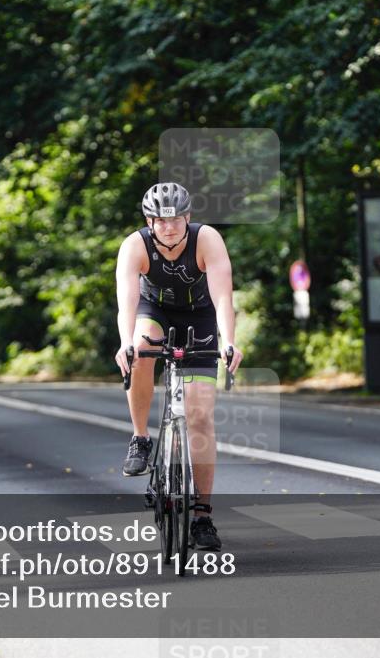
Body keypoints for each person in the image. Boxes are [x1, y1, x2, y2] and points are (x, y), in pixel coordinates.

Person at [113, 182, 243, 551]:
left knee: (200, 415)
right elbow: (127, 301)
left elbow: (222, 296)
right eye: (159, 220)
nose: (168, 227)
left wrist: (229, 340)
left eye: (174, 219)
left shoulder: (207, 239)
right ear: (149, 221)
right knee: (140, 350)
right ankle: (140, 438)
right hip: (153, 312)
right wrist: (125, 342)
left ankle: (202, 516)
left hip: (200, 318)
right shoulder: (135, 246)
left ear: (187, 217)